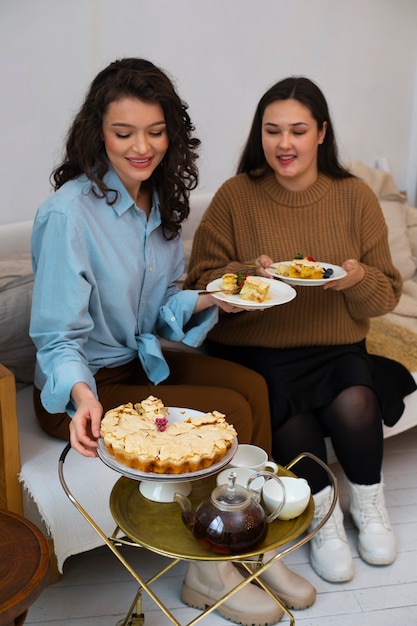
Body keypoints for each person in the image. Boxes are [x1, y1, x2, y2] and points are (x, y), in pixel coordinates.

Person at [29, 59, 315, 626]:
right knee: (228, 411)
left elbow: (158, 317)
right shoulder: (68, 215)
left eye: (156, 132)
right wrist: (83, 399)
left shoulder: (158, 205)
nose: (143, 147)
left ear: (172, 134)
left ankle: (253, 547)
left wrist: (212, 299)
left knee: (252, 388)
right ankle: (211, 573)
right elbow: (57, 339)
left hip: (137, 364)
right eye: (124, 132)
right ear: (96, 132)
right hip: (82, 387)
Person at [185, 76, 417, 584]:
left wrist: (354, 278)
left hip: (336, 345)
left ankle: (368, 503)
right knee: (288, 414)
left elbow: (387, 293)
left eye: (297, 130)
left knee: (356, 398)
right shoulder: (236, 196)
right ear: (259, 135)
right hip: (257, 352)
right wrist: (248, 275)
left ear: (321, 134)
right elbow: (200, 279)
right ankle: (324, 516)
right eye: (272, 131)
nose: (284, 144)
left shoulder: (355, 196)